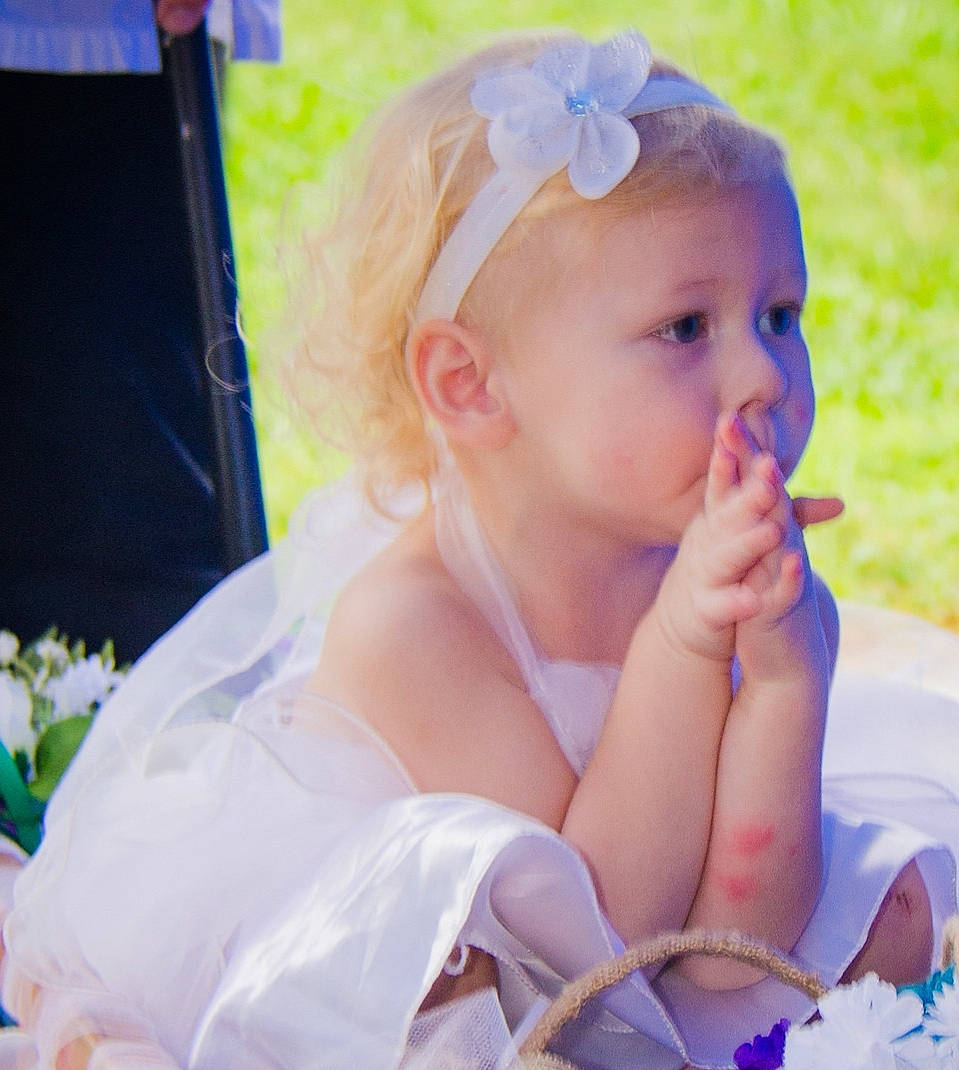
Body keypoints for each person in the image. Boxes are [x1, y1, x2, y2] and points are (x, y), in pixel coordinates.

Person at [1, 27, 957, 1070]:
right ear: (469, 383)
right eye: (686, 327)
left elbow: (737, 951)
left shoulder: (698, 554)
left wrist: (782, 678)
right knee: (442, 1006)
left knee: (892, 914)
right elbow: (593, 953)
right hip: (502, 965)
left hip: (644, 961)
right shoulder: (413, 624)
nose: (766, 374)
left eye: (779, 314)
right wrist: (683, 643)